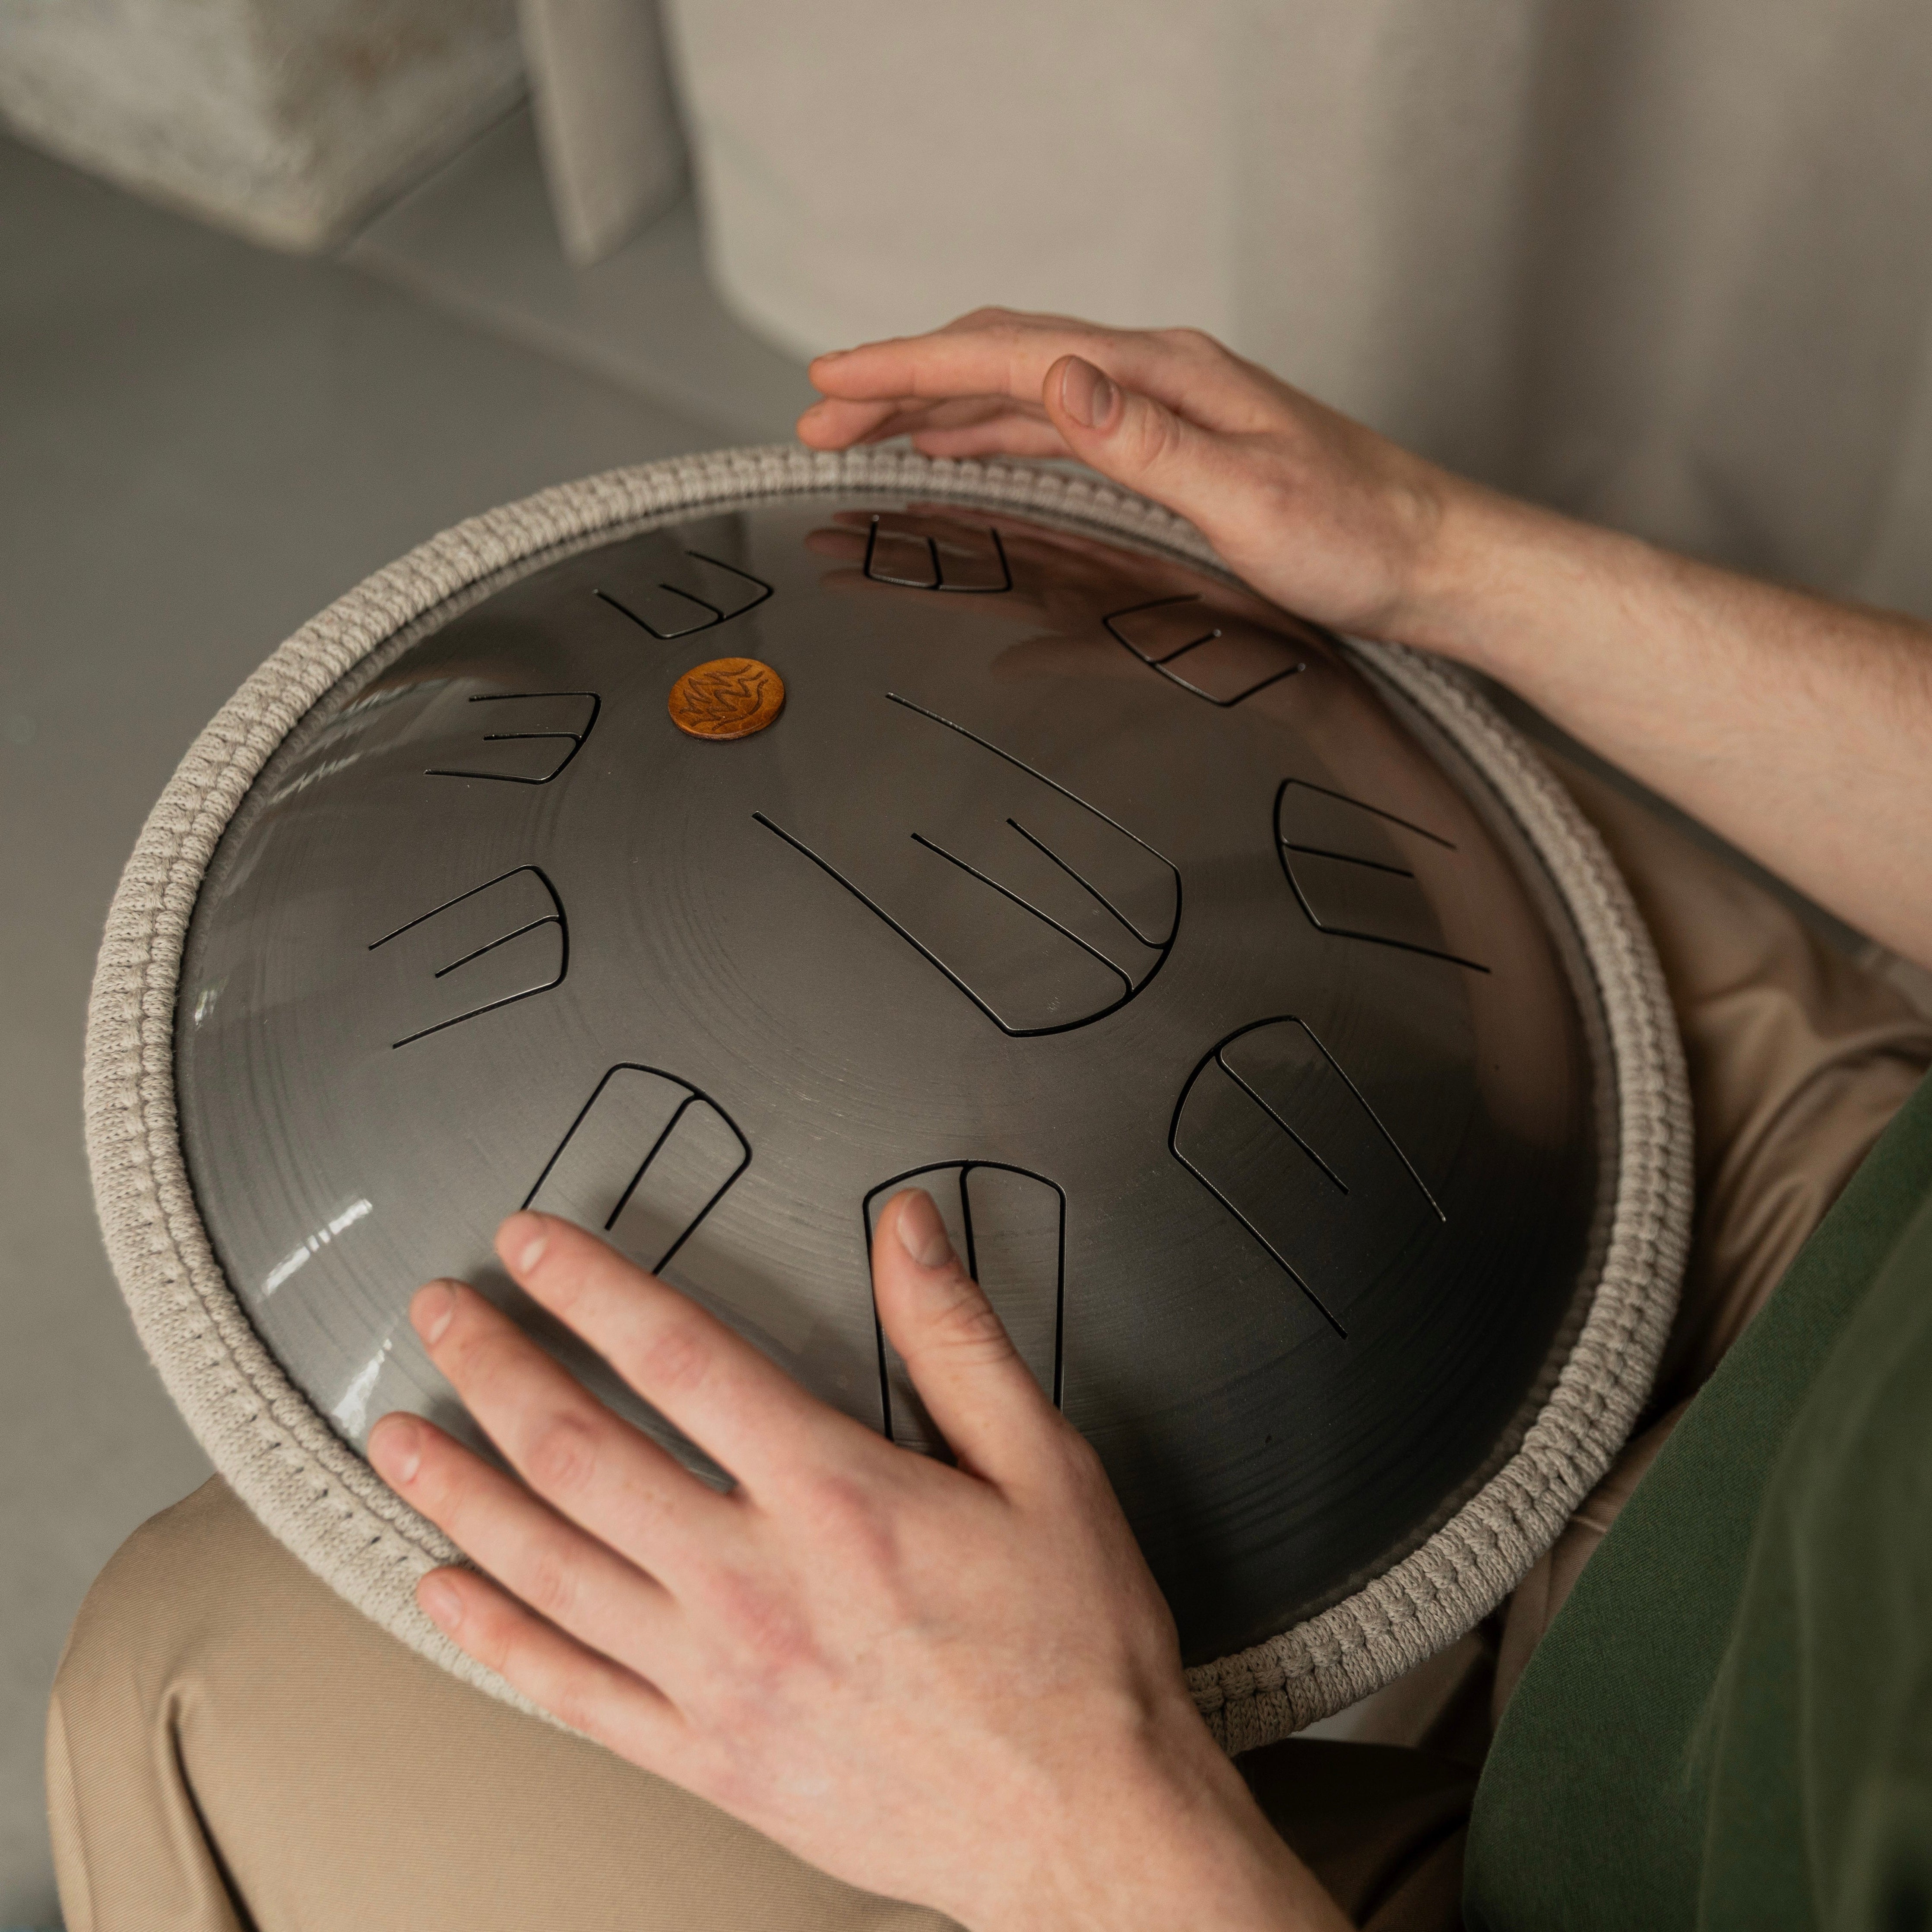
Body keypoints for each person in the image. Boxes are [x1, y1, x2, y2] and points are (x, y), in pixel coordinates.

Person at [48, 312, 1932, 1932]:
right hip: (1874, 1265)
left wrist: (1079, 1823)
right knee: (1044, 673)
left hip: (1657, 1869)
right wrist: (1441, 554)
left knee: (213, 1661)